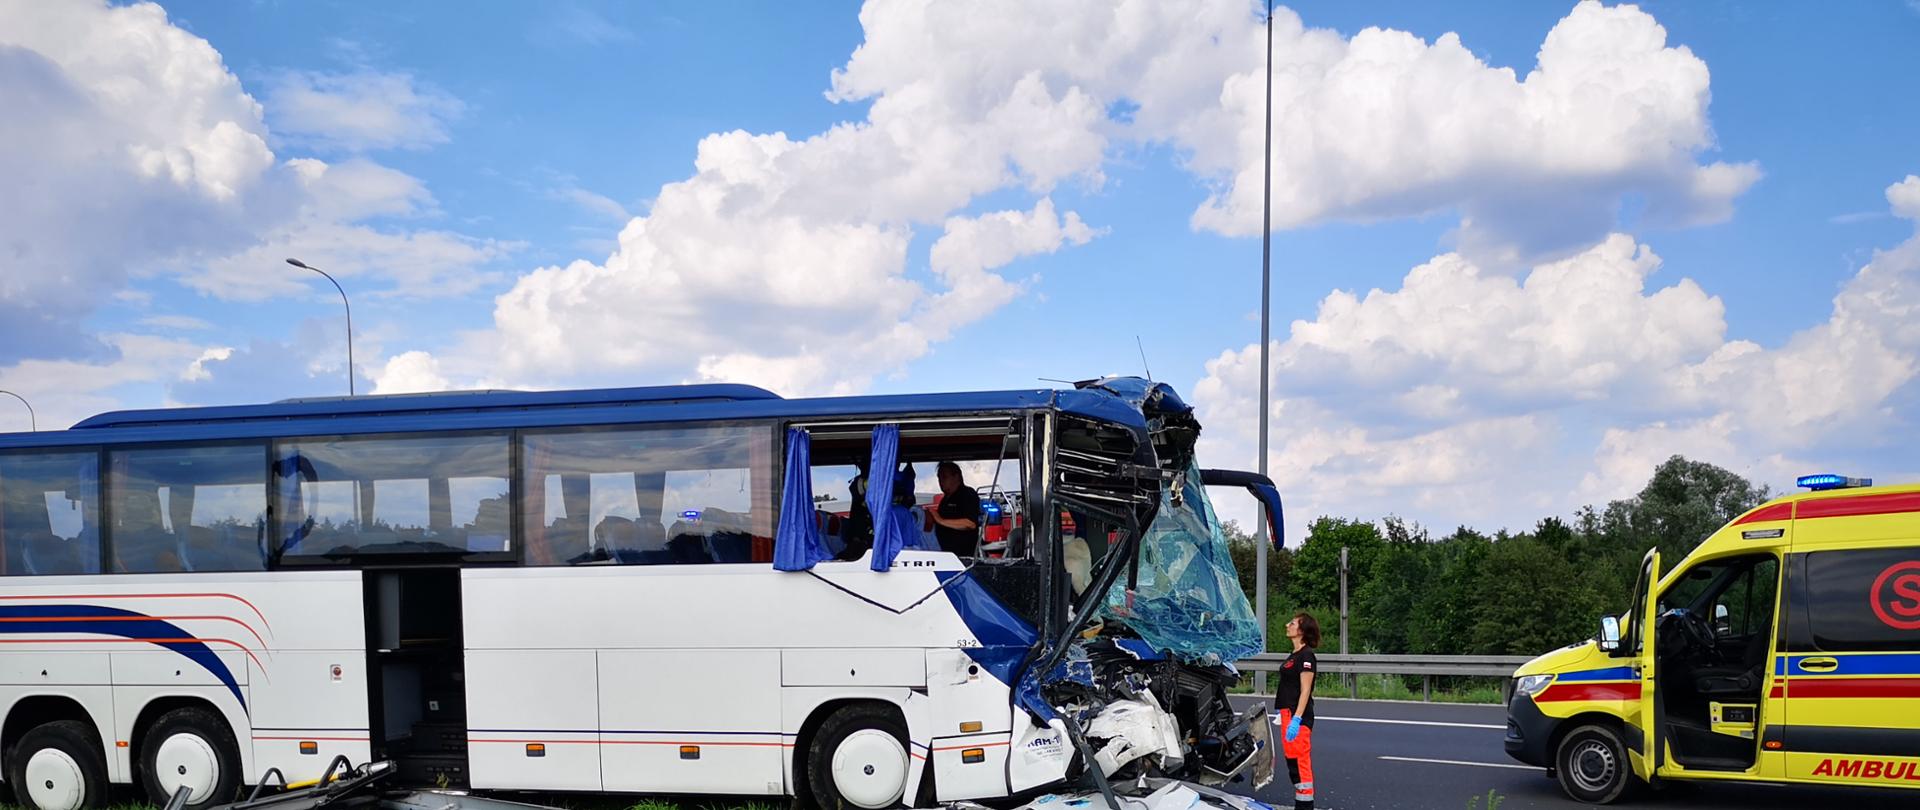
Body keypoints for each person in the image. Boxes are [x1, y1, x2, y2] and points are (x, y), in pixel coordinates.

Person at [1273, 612, 1319, 810]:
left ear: (1301, 630)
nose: (1287, 625)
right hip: (1288, 714)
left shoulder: (1306, 655)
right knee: (1293, 765)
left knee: (1300, 765)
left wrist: (1297, 718)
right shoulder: (1294, 655)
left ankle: (1305, 807)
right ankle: (1300, 804)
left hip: (1297, 717)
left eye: (1292, 623)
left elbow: (1305, 689)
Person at [929, 461, 981, 557]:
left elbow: (970, 524)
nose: (940, 481)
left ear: (956, 477)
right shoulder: (944, 500)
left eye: (944, 477)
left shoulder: (967, 494)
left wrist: (940, 520)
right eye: (939, 478)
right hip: (945, 554)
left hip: (963, 556)